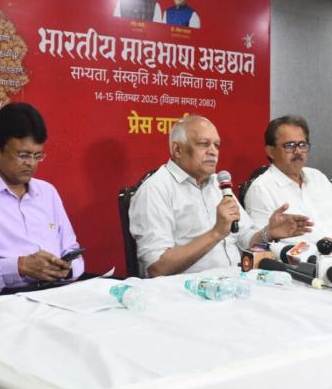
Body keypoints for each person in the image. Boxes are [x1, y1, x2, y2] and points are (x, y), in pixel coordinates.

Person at [129, 115, 312, 277]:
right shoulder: (155, 190)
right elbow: (156, 267)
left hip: (236, 280)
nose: (213, 151)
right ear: (178, 150)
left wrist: (268, 233)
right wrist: (216, 233)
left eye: (216, 145)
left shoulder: (218, 184)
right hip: (187, 290)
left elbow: (244, 237)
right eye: (203, 144)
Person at [0, 103, 84, 292]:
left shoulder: (47, 192)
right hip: (3, 298)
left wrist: (67, 269)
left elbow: (72, 250)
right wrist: (18, 267)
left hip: (56, 291)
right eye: (23, 155)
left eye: (37, 156)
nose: (31, 164)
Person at [245, 116, 332, 250]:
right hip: (301, 260)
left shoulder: (317, 177)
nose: (298, 151)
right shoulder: (261, 189)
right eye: (290, 146)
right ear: (271, 151)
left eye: (302, 145)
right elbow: (261, 246)